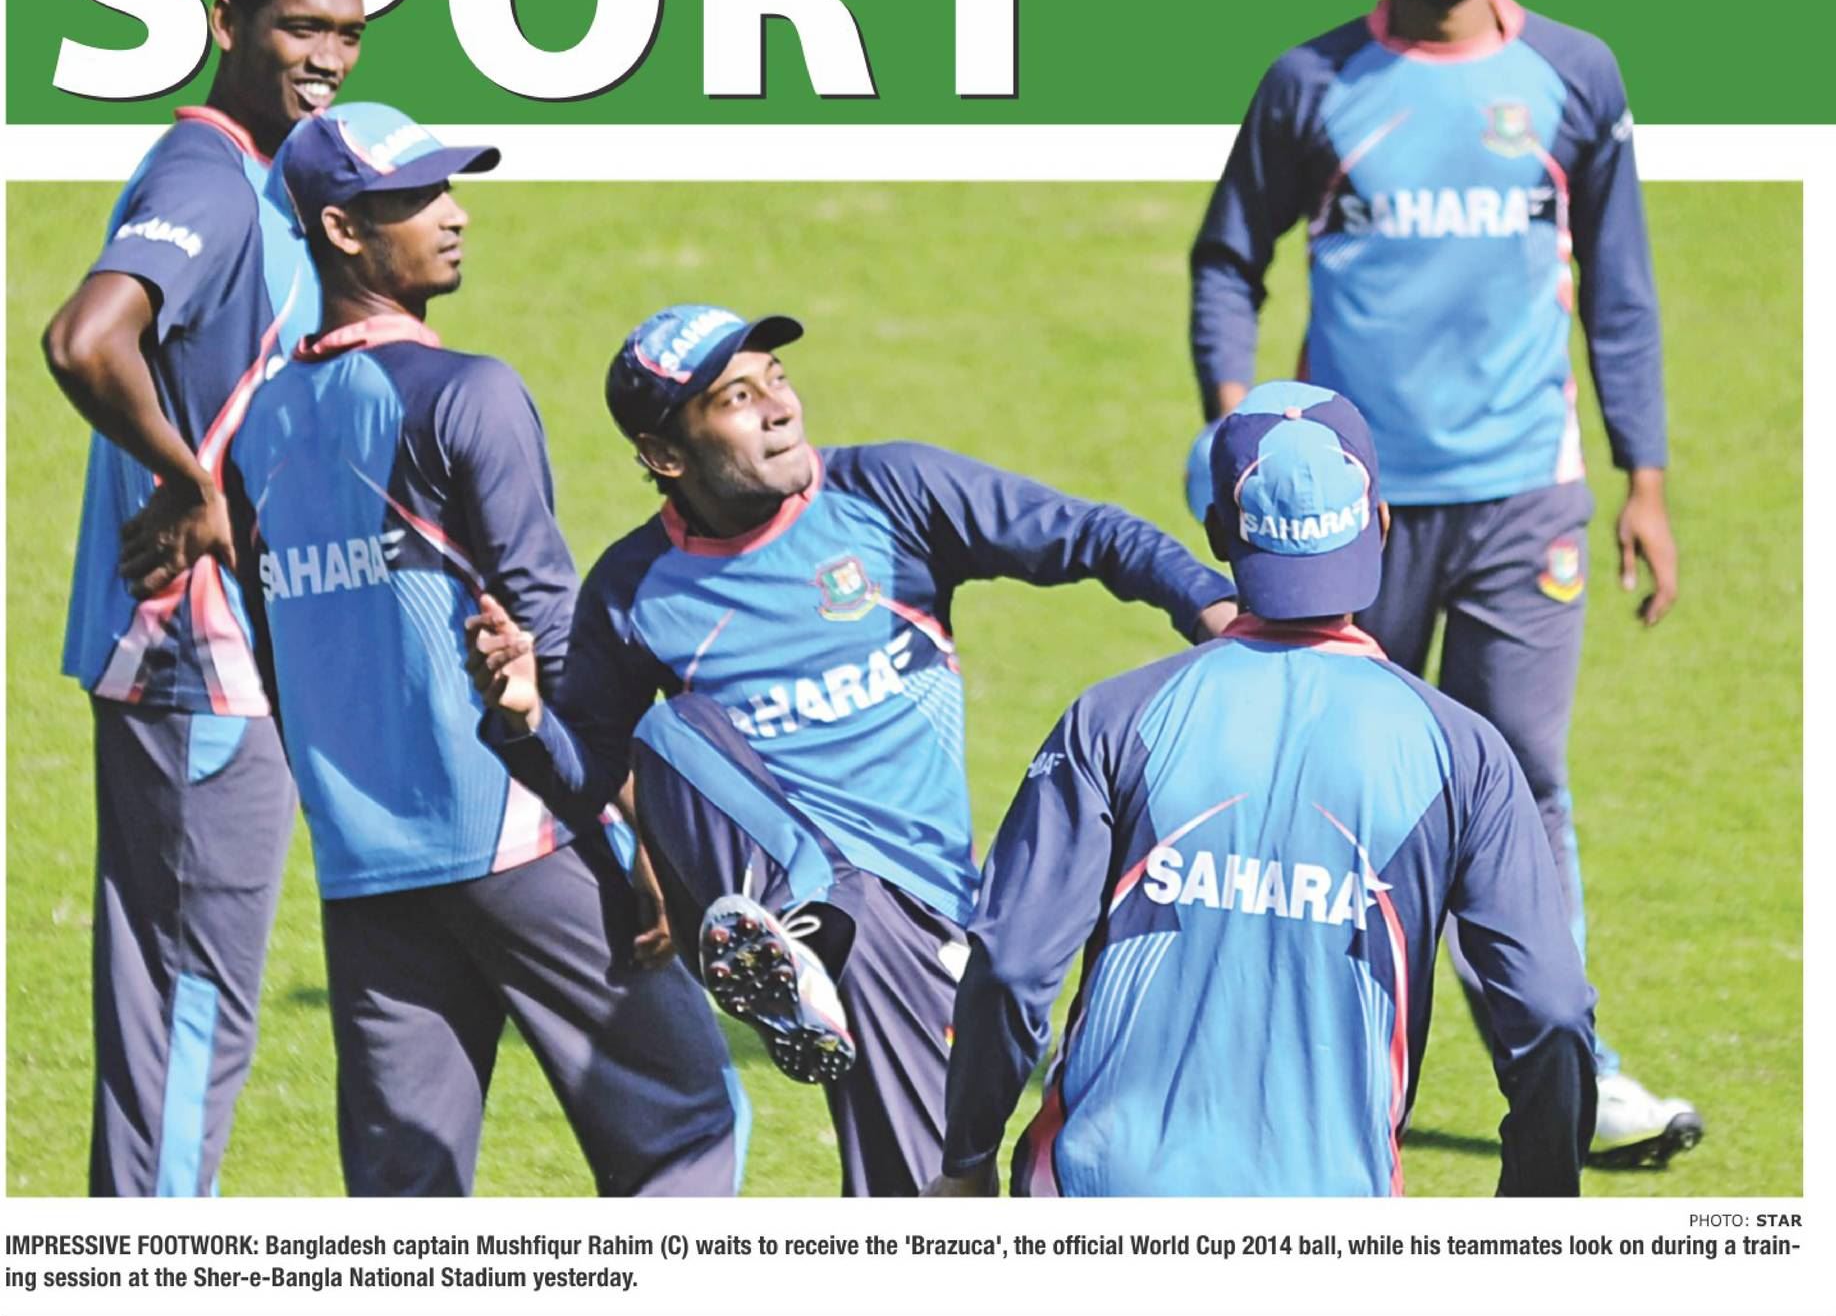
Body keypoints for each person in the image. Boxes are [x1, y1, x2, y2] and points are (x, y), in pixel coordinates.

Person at [1184, 0, 1698, 1164]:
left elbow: (1623, 294)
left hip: (1526, 498)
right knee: (1327, 779)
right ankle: (1303, 1063)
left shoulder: (1576, 78)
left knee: (1520, 777)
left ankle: (1571, 1070)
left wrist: (1644, 478)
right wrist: (1242, 433)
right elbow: (1228, 259)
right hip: (1344, 510)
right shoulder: (1312, 82)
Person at [466, 303, 1238, 1195]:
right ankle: (800, 935)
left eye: (777, 380)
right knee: (671, 734)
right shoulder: (633, 590)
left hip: (924, 915)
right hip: (797, 915)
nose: (780, 408)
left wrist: (1213, 608)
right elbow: (589, 775)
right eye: (737, 398)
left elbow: (1090, 534)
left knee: (916, 1197)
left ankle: (809, 951)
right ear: (665, 454)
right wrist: (524, 718)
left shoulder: (888, 494)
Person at [219, 104, 747, 1196]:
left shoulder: (256, 430)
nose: (453, 213)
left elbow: (279, 658)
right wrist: (644, 832)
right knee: (690, 1129)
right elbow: (554, 635)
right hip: (521, 836)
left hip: (366, 867)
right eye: (416, 198)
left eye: (448, 187)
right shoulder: (469, 393)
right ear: (341, 229)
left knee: (404, 1206)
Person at [933, 380, 1597, 1197]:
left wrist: (966, 1160)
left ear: (1218, 531)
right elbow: (1552, 1012)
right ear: (1380, 525)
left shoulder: (1113, 719)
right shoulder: (1466, 755)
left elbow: (1008, 968)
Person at [42, 0, 371, 1196]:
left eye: (347, 33)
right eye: (300, 27)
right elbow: (86, 338)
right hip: (199, 659)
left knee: (175, 1002)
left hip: (200, 660)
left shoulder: (258, 175)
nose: (327, 57)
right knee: (192, 1012)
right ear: (226, 22)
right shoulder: (209, 181)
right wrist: (191, 481)